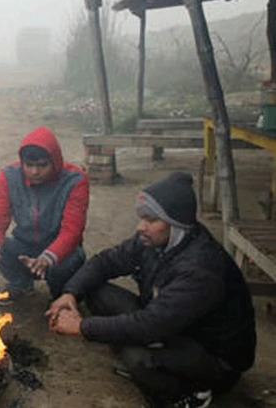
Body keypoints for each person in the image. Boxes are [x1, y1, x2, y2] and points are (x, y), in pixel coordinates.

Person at [46, 172, 256, 408]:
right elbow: (106, 261)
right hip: (171, 324)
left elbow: (150, 325)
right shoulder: (151, 240)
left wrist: (81, 327)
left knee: (136, 359)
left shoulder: (199, 268)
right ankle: (137, 346)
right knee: (96, 290)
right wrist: (70, 293)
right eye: (142, 218)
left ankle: (189, 395)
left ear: (176, 224)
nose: (141, 227)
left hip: (213, 357)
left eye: (151, 220)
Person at [0, 126, 89, 305]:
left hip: (62, 249)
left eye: (42, 165)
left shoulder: (75, 181)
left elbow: (72, 230)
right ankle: (21, 284)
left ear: (55, 161)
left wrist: (48, 257)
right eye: (29, 165)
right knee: (0, 246)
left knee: (65, 266)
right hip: (25, 245)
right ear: (22, 163)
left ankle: (62, 296)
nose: (35, 172)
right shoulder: (9, 176)